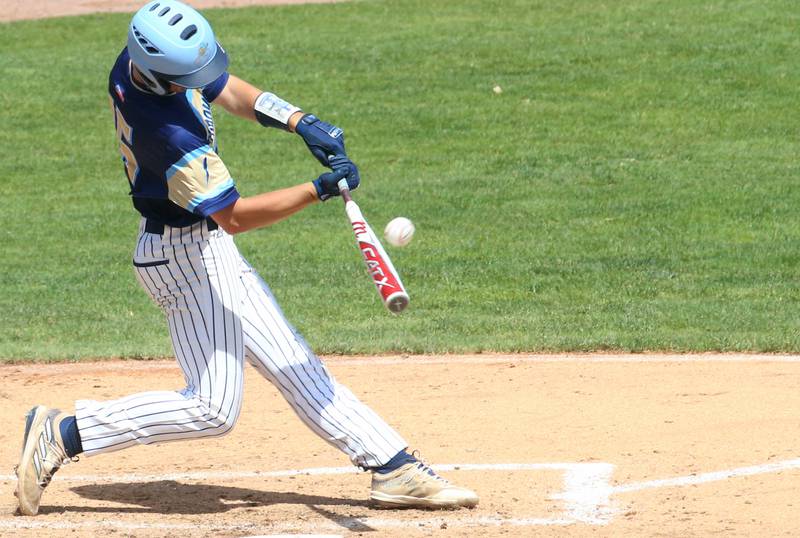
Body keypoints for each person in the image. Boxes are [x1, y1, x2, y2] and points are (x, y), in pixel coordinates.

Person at [14, 0, 478, 517]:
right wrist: (317, 190)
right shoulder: (167, 136)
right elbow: (233, 216)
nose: (199, 79)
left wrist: (300, 121)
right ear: (164, 76)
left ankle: (393, 467)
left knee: (292, 362)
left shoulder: (140, 62)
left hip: (204, 248)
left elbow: (228, 89)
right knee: (213, 409)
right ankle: (65, 433)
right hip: (182, 261)